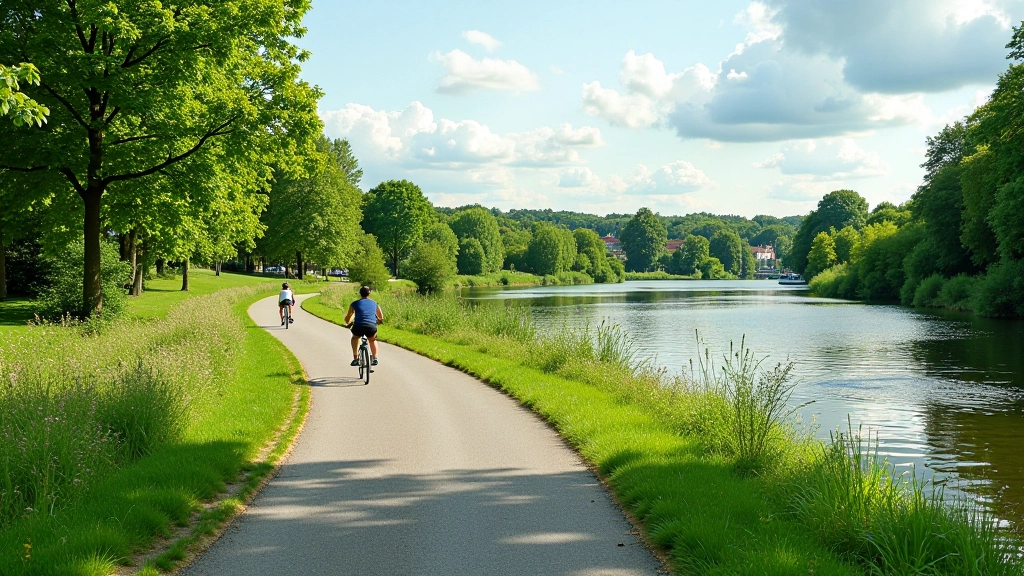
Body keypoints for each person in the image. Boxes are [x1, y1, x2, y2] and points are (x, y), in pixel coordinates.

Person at [344, 285, 383, 366]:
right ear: (369, 294)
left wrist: (347, 322)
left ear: (360, 294)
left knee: (355, 338)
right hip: (371, 326)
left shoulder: (354, 304)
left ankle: (355, 359)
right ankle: (375, 358)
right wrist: (379, 321)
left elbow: (348, 317)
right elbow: (381, 316)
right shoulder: (374, 303)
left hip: (358, 326)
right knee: (372, 340)